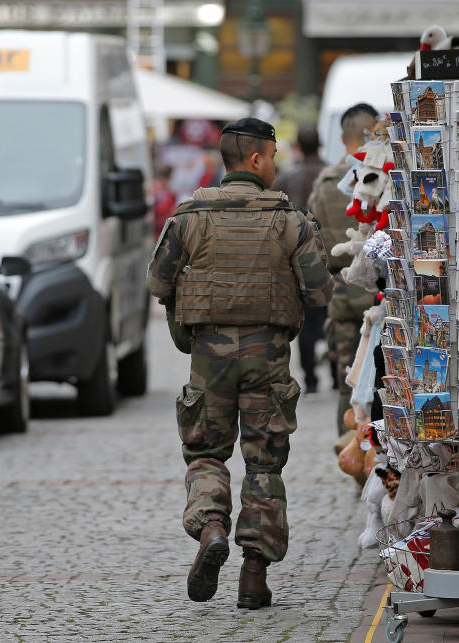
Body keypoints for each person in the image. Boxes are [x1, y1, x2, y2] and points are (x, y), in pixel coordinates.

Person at [148, 117, 334, 609]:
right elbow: (319, 292)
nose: (275, 165)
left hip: (208, 358)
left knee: (207, 454)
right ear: (256, 160)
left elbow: (157, 282)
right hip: (267, 357)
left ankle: (211, 526)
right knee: (264, 464)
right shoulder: (289, 219)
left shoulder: (189, 216)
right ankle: (254, 577)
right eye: (273, 157)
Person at [307, 103, 379, 437]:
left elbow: (314, 240)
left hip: (340, 290)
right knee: (382, 376)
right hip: (378, 293)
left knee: (347, 376)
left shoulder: (325, 182)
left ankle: (348, 449)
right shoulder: (384, 176)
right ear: (372, 133)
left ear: (341, 137)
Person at [273, 126, 328, 393]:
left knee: (305, 321)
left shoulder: (285, 179)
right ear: (322, 143)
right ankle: (339, 376)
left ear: (297, 146)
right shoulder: (332, 176)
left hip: (296, 261)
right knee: (331, 318)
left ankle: (310, 379)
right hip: (332, 260)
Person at [152, 165, 177, 237]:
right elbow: (161, 209)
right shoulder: (157, 190)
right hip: (160, 229)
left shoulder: (169, 192)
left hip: (166, 228)